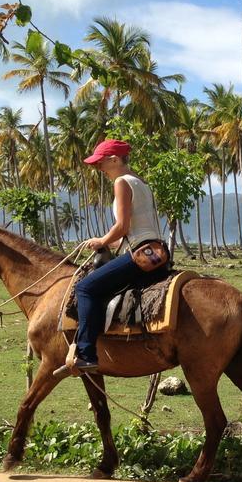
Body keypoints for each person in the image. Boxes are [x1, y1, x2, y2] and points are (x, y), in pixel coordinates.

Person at [63, 139, 167, 374]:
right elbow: (131, 231)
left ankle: (87, 354)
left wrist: (101, 241)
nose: (98, 167)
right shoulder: (142, 183)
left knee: (86, 288)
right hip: (155, 250)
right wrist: (109, 242)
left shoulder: (121, 182)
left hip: (140, 252)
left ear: (115, 160)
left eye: (101, 162)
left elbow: (121, 226)